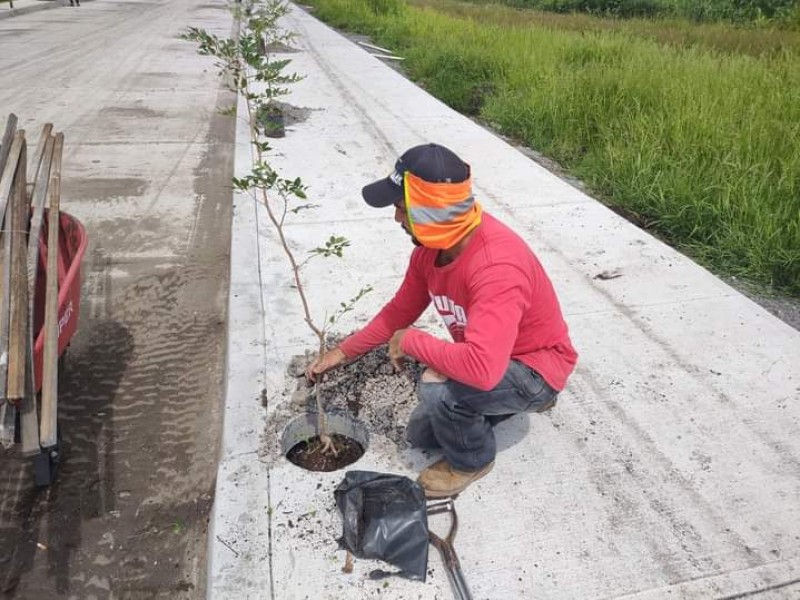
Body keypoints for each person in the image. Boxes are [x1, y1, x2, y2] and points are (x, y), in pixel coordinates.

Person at [307, 143, 577, 498]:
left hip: (534, 366)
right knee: (422, 435)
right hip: (497, 357)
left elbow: (482, 369)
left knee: (437, 389)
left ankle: (473, 460)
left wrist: (413, 340)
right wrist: (341, 353)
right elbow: (397, 313)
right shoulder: (431, 252)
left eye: (402, 209)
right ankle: (507, 403)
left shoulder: (496, 268)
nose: (396, 219)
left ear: (430, 212)